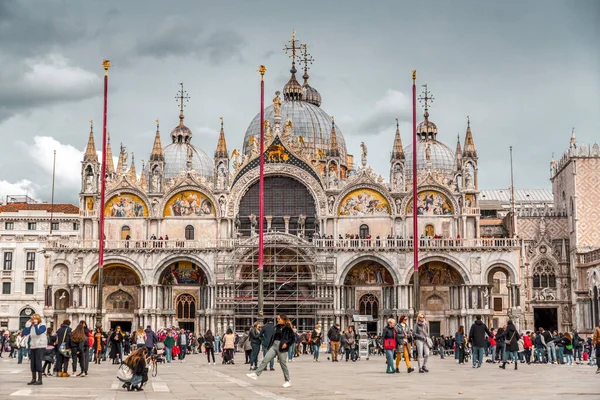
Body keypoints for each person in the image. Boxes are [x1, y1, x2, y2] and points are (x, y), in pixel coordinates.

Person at [247, 314, 295, 388]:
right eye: (277, 319)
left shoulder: (288, 328)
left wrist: (287, 344)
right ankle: (256, 374)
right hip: (274, 345)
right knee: (266, 359)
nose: (277, 320)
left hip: (282, 346)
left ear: (283, 319)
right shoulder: (277, 327)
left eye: (279, 319)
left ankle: (288, 380)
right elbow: (273, 336)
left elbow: (292, 339)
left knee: (283, 364)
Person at [22, 314, 47, 385]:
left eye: (34, 319)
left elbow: (38, 332)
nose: (33, 320)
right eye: (32, 319)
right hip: (33, 346)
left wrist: (36, 325)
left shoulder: (42, 326)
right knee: (33, 363)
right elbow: (25, 333)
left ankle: (40, 379)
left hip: (40, 346)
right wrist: (27, 325)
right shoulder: (32, 326)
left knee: (38, 362)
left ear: (38, 319)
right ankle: (33, 378)